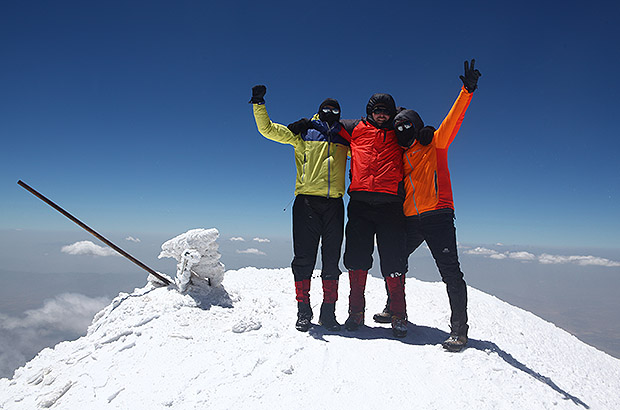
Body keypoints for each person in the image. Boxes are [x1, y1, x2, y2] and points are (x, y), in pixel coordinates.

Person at [374, 59, 481, 351]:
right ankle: (396, 310)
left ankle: (459, 331)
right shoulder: (399, 151)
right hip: (410, 218)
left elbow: (453, 119)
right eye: (400, 127)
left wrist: (467, 90)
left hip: (438, 216)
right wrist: (396, 114)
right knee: (394, 261)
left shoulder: (435, 143)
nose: (404, 129)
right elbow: (382, 135)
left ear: (418, 125)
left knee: (450, 273)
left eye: (409, 125)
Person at [250, 85, 351, 332]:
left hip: (335, 205)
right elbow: (268, 130)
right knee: (304, 259)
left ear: (339, 113)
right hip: (306, 202)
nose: (330, 112)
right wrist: (258, 104)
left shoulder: (345, 138)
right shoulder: (303, 133)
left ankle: (328, 314)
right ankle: (303, 311)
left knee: (331, 261)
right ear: (318, 111)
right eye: (325, 109)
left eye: (334, 110)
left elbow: (371, 143)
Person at [337, 93, 417, 338]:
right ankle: (355, 313)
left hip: (391, 204)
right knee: (356, 259)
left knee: (393, 260)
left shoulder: (399, 130)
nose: (381, 115)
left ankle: (399, 315)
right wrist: (307, 122)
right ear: (369, 111)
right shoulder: (355, 128)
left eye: (386, 111)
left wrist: (406, 117)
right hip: (360, 203)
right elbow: (328, 125)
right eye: (377, 110)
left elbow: (419, 126)